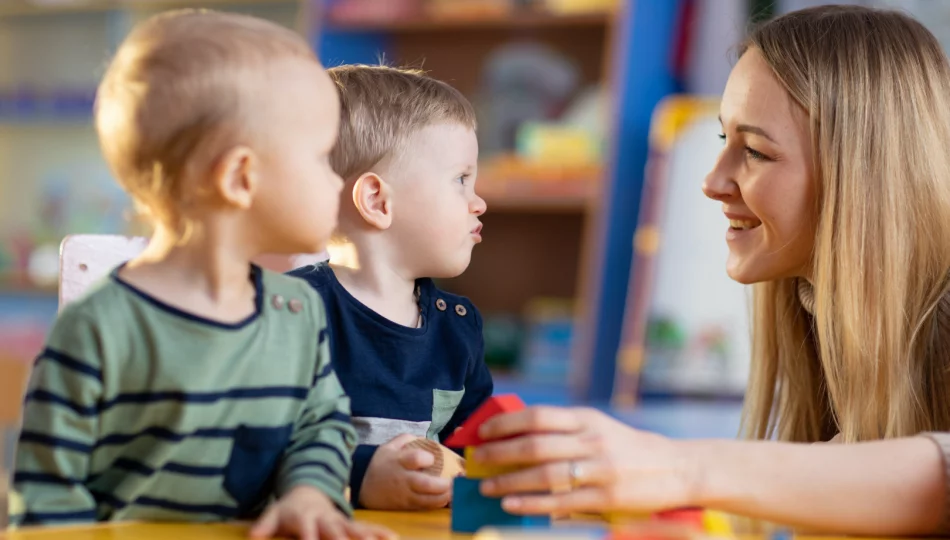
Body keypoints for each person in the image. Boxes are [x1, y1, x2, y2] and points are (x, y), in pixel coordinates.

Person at [469, 5, 950, 536]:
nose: (713, 180)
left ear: (864, 175)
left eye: (758, 153)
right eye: (725, 141)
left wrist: (682, 470)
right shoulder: (827, 333)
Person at [10, 11, 392, 540]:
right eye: (323, 157)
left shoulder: (297, 310)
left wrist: (309, 494)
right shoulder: (96, 329)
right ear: (240, 177)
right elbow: (47, 500)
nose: (337, 181)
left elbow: (319, 426)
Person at [288, 65, 493, 511]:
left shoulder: (460, 328)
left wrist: (478, 470)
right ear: (378, 201)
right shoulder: (289, 312)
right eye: (461, 180)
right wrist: (361, 476)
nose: (479, 202)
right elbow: (258, 445)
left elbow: (477, 450)